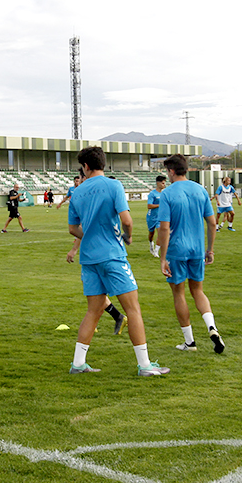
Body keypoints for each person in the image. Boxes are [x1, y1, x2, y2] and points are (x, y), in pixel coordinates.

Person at [67, 146, 168, 376]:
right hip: (112, 256)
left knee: (93, 311)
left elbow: (73, 228)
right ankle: (144, 365)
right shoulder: (114, 185)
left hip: (90, 259)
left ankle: (78, 363)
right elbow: (127, 221)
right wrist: (129, 236)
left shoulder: (78, 192)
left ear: (85, 167)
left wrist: (90, 235)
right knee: (132, 308)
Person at [158, 154, 225, 353]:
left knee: (179, 293)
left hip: (177, 251)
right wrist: (210, 249)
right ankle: (212, 327)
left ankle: (190, 342)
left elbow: (164, 227)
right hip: (197, 250)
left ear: (171, 171)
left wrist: (163, 258)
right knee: (198, 291)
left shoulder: (168, 194)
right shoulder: (200, 190)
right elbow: (212, 222)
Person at [146, 175, 166, 256]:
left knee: (161, 233)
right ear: (158, 183)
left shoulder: (165, 193)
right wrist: (159, 205)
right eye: (162, 183)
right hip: (151, 217)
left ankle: (156, 251)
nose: (164, 185)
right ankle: (151, 244)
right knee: (151, 234)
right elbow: (149, 206)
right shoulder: (152, 194)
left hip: (160, 217)